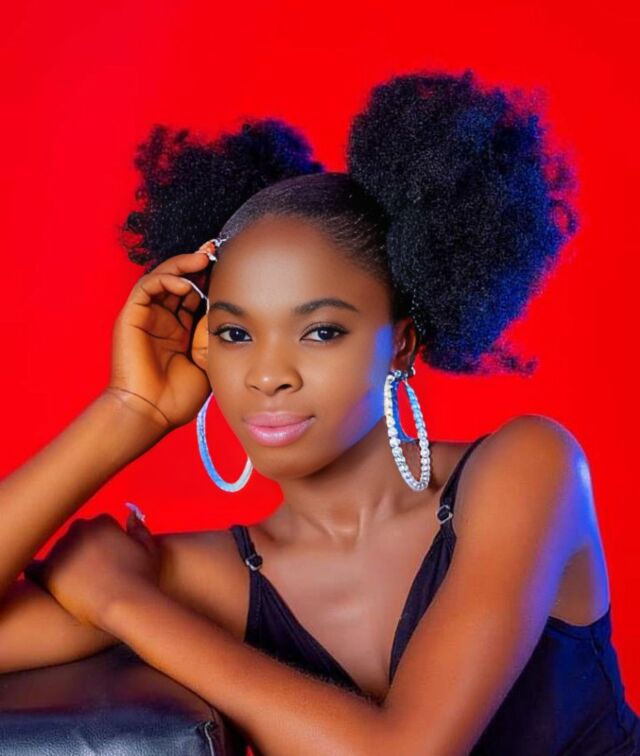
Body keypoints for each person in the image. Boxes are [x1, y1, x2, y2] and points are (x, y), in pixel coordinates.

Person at [1, 68, 638, 755]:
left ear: (401, 344)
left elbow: (407, 752)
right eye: (236, 333)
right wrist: (128, 411)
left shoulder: (529, 469)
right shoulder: (214, 579)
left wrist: (123, 604)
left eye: (321, 331)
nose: (268, 374)